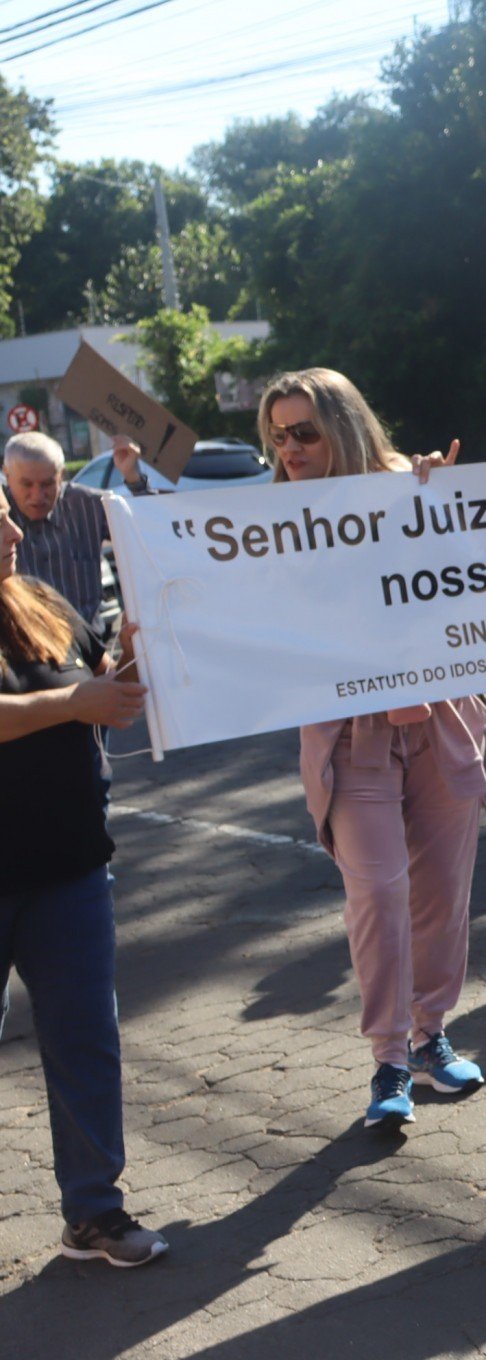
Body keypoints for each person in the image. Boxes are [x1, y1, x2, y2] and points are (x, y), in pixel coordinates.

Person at [266, 368, 486, 1130]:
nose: (290, 447)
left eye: (304, 431)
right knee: (378, 891)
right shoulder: (272, 518)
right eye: (277, 434)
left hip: (439, 718)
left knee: (441, 893)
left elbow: (475, 582)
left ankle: (430, 1036)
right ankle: (389, 1057)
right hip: (349, 733)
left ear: (345, 424)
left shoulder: (409, 483)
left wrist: (441, 502)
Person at [0, 508, 164, 1267]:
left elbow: (109, 697)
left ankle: (95, 1214)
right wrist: (74, 704)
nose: (13, 535)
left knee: (85, 1044)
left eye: (8, 518)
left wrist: (131, 657)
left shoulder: (40, 597)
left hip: (70, 869)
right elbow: (74, 704)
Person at [2, 432, 149, 624]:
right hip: (24, 644)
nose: (37, 495)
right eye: (27, 484)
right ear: (7, 475)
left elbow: (147, 530)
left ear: (61, 475)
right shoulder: (2, 511)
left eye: (47, 484)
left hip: (89, 645)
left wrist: (133, 477)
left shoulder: (89, 506)